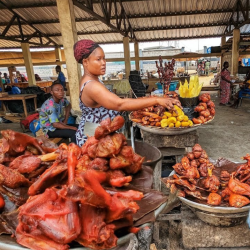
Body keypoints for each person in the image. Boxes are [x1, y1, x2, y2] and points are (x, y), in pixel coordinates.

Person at [73, 39, 181, 146]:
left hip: (99, 134)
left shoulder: (93, 80)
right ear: (85, 62)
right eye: (98, 59)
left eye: (104, 58)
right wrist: (157, 100)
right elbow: (119, 104)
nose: (104, 63)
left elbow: (119, 102)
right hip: (93, 138)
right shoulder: (91, 85)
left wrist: (146, 100)